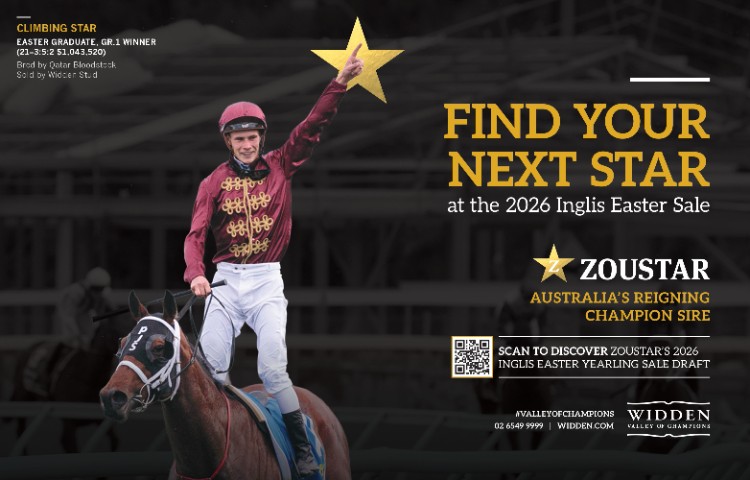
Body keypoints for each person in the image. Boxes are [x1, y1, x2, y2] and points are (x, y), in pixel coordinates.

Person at [184, 47, 363, 477]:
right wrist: (196, 274)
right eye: (239, 139)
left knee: (273, 369)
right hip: (225, 282)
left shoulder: (282, 164)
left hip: (266, 281)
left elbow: (312, 125)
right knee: (210, 370)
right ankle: (213, 454)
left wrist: (339, 83)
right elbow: (195, 235)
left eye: (252, 138)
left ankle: (302, 447)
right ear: (228, 141)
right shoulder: (212, 182)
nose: (247, 145)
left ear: (261, 139)